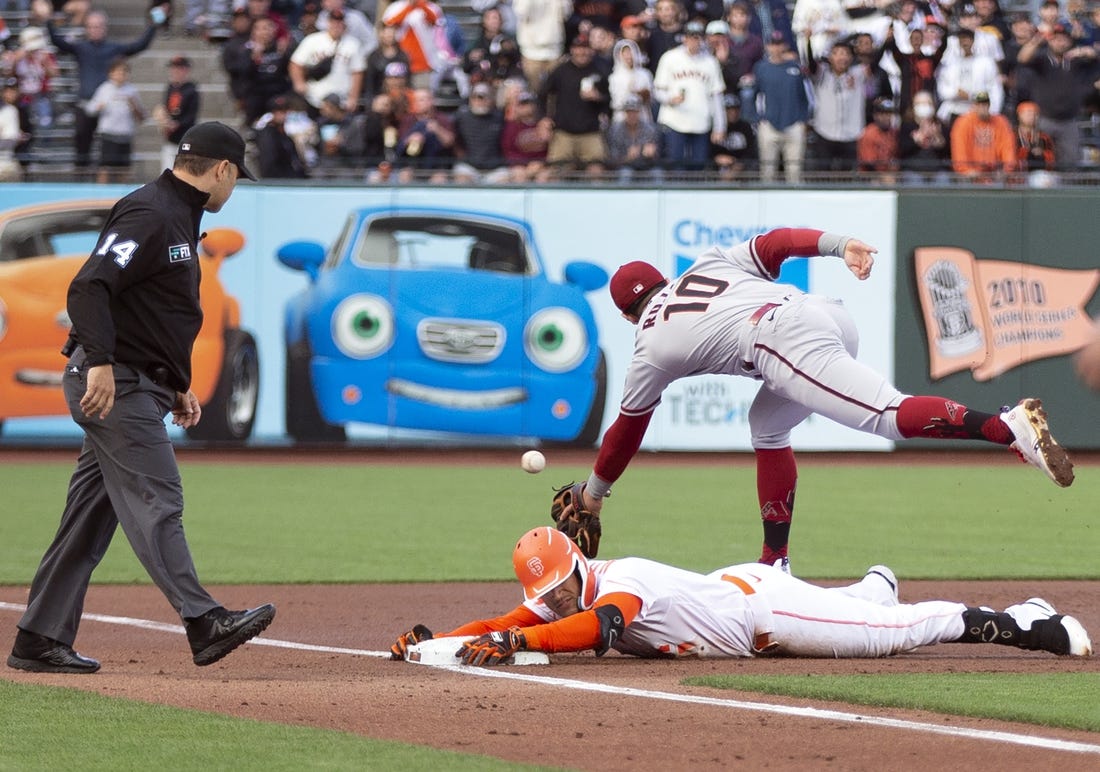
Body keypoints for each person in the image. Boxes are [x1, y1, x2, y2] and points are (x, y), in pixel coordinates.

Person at [559, 226, 1074, 571]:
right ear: (664, 281)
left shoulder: (649, 341)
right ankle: (774, 563)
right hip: (824, 313)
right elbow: (777, 242)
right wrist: (840, 244)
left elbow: (625, 432)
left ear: (628, 315)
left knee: (888, 417)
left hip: (779, 339)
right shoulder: (705, 266)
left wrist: (594, 494)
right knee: (767, 425)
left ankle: (1008, 427)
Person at [7, 122, 275, 676]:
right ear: (222, 169)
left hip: (137, 380)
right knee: (159, 499)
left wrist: (174, 380)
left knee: (88, 519)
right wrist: (101, 361)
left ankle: (38, 638)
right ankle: (204, 622)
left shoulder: (175, 216)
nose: (234, 188)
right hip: (114, 383)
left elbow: (150, 309)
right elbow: (90, 286)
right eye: (236, 178)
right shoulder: (152, 212)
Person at [391, 528, 1092, 665]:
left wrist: (519, 643)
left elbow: (600, 628)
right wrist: (435, 643)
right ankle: (868, 587)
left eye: (562, 582)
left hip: (763, 613)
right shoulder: (559, 597)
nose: (556, 597)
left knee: (895, 634)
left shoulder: (619, 580)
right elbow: (509, 618)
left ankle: (1020, 622)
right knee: (865, 610)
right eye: (549, 591)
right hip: (739, 592)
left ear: (579, 561)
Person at [34, 1, 163, 175]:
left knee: (110, 148)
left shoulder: (113, 48)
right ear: (87, 28)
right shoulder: (81, 47)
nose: (95, 29)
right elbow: (58, 42)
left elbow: (139, 45)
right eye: (92, 26)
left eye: (99, 26)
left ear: (105, 27)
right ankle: (81, 179)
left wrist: (154, 24)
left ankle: (108, 184)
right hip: (86, 104)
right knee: (81, 144)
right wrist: (48, 20)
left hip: (108, 108)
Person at [653, 19, 727, 173]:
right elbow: (658, 90)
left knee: (698, 168)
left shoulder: (710, 62)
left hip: (701, 123)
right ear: (684, 38)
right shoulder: (670, 57)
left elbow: (717, 97)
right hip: (674, 121)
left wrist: (719, 126)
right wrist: (669, 99)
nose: (694, 40)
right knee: (675, 167)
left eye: (697, 37)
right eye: (691, 36)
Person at [540, 33, 610, 179]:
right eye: (578, 48)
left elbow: (609, 101)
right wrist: (544, 118)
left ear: (591, 50)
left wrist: (598, 97)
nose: (582, 52)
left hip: (591, 132)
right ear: (572, 50)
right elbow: (542, 94)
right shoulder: (561, 71)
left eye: (585, 48)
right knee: (557, 172)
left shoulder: (599, 70)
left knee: (598, 172)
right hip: (563, 132)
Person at [750, 31, 810, 184]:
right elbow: (752, 95)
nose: (776, 48)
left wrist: (803, 120)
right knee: (767, 173)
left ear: (785, 45)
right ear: (767, 46)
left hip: (793, 123)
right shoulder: (761, 67)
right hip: (769, 124)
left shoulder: (796, 68)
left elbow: (806, 96)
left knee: (795, 173)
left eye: (779, 44)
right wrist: (758, 118)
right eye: (772, 44)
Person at [288, 7, 366, 116]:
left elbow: (357, 72)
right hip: (315, 98)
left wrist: (353, 97)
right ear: (328, 23)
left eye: (339, 23)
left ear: (344, 24)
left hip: (341, 100)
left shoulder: (353, 44)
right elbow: (295, 63)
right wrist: (299, 82)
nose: (336, 26)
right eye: (333, 22)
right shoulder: (313, 40)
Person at [804, 37, 865, 176]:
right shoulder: (822, 74)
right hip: (825, 132)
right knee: (823, 175)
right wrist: (808, 42)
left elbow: (872, 63)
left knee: (847, 175)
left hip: (850, 133)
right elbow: (811, 64)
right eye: (837, 53)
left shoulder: (858, 74)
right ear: (830, 57)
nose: (841, 57)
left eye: (845, 53)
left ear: (850, 58)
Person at [85, 57, 146, 184]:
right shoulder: (104, 89)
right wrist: (99, 106)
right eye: (118, 71)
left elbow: (142, 117)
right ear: (111, 73)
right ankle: (101, 197)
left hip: (125, 135)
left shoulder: (132, 91)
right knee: (105, 167)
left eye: (124, 72)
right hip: (108, 135)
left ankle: (122, 197)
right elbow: (90, 109)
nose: (121, 75)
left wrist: (134, 105)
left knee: (124, 169)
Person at [950, 90, 1016, 182]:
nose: (982, 107)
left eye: (985, 104)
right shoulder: (963, 123)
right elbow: (959, 149)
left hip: (995, 174)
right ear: (973, 105)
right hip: (970, 176)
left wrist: (1006, 170)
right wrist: (966, 170)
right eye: (979, 104)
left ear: (989, 105)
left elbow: (1007, 149)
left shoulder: (1001, 122)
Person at [451, 81, 510, 184]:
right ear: (471, 99)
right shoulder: (461, 118)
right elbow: (452, 139)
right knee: (462, 179)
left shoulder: (500, 118)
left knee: (505, 182)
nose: (481, 101)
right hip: (469, 166)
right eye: (477, 97)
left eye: (484, 97)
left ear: (491, 99)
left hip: (495, 168)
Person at [154, 55, 201, 173]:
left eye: (179, 69)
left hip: (185, 138)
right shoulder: (170, 88)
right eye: (173, 68)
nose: (175, 72)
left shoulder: (191, 90)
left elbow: (191, 116)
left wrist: (177, 124)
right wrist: (163, 119)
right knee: (167, 170)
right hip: (171, 138)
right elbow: (166, 108)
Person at [605, 93, 662, 182]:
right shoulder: (616, 130)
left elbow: (661, 158)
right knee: (626, 173)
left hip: (646, 166)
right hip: (625, 166)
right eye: (629, 111)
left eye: (635, 111)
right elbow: (612, 160)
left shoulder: (650, 129)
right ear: (625, 112)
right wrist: (627, 158)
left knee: (657, 173)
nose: (632, 115)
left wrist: (652, 155)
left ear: (639, 112)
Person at [256, 93, 311, 178]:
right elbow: (268, 163)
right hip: (278, 183)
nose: (283, 114)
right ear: (272, 113)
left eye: (285, 110)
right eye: (279, 111)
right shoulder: (267, 135)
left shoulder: (285, 135)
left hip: (291, 181)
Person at [857, 95, 899, 182]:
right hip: (870, 176)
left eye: (889, 113)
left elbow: (896, 158)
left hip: (890, 175)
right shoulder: (869, 133)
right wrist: (884, 177)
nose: (886, 117)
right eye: (882, 113)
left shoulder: (894, 133)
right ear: (875, 115)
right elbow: (869, 164)